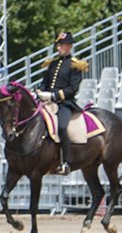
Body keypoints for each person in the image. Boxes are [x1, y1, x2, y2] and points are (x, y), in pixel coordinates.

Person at [37, 32, 87, 175]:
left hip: (64, 103)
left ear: (69, 46)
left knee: (63, 127)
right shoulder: (52, 64)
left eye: (62, 45)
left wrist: (53, 95)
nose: (59, 48)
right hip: (46, 102)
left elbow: (73, 89)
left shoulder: (75, 65)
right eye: (58, 45)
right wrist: (40, 92)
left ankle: (66, 162)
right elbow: (44, 83)